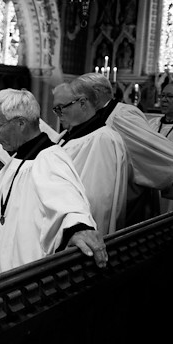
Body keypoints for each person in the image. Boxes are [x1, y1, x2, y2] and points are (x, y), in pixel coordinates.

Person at [0, 89, 106, 279]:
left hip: (27, 279)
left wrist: (78, 230)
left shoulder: (49, 159)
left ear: (21, 123)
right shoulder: (20, 158)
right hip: (2, 273)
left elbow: (70, 206)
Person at [73, 73, 173, 223]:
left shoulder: (122, 116)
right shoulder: (95, 116)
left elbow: (151, 150)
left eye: (79, 97)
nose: (77, 103)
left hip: (126, 199)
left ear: (96, 93)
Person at [53, 82, 128, 235]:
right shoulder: (66, 135)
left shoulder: (103, 140)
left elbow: (98, 202)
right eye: (55, 109)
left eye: (61, 107)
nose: (58, 113)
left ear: (82, 103)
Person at [148, 80, 173, 214]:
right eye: (162, 96)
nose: (164, 100)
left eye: (170, 97)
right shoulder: (150, 124)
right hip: (150, 184)